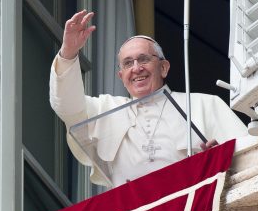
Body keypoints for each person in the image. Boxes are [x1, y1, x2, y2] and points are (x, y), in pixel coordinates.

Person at [50, 10, 247, 188]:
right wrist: (68, 53)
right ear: (122, 77)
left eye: (144, 59)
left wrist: (222, 157)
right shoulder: (106, 109)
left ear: (164, 67)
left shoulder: (204, 104)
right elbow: (67, 106)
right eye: (128, 63)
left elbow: (250, 156)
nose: (136, 68)